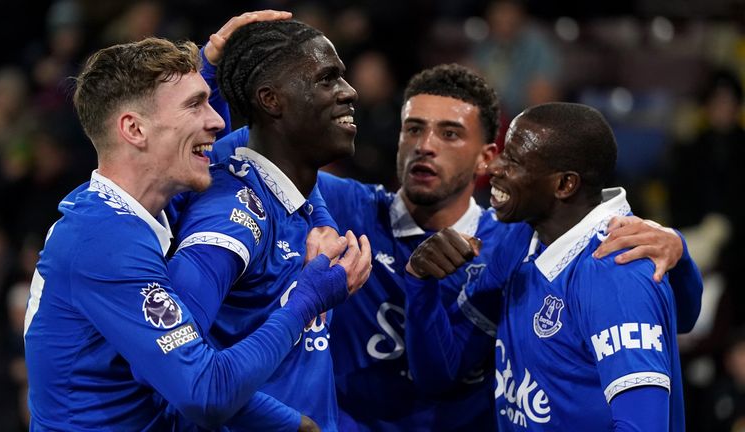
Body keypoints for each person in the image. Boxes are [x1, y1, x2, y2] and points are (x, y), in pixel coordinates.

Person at [211, 64, 701, 431]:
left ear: (488, 155)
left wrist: (675, 252)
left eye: (449, 133)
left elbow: (670, 315)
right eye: (413, 129)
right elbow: (247, 151)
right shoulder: (345, 207)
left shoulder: (510, 239)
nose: (426, 145)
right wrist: (211, 72)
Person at [23, 11, 368, 431]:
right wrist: (305, 300)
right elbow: (204, 392)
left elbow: (279, 156)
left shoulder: (144, 209)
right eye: (195, 105)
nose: (218, 120)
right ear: (134, 129)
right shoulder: (104, 242)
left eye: (209, 100)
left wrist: (209, 63)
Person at [405, 102, 696, 431]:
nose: (493, 168)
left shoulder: (616, 271)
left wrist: (680, 256)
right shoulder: (517, 238)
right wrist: (421, 284)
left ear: (564, 185)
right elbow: (441, 374)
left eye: (512, 160)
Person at [167, 19, 372, 432]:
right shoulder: (233, 218)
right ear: (271, 100)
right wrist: (291, 425)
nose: (350, 92)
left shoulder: (283, 184)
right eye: (327, 79)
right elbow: (173, 369)